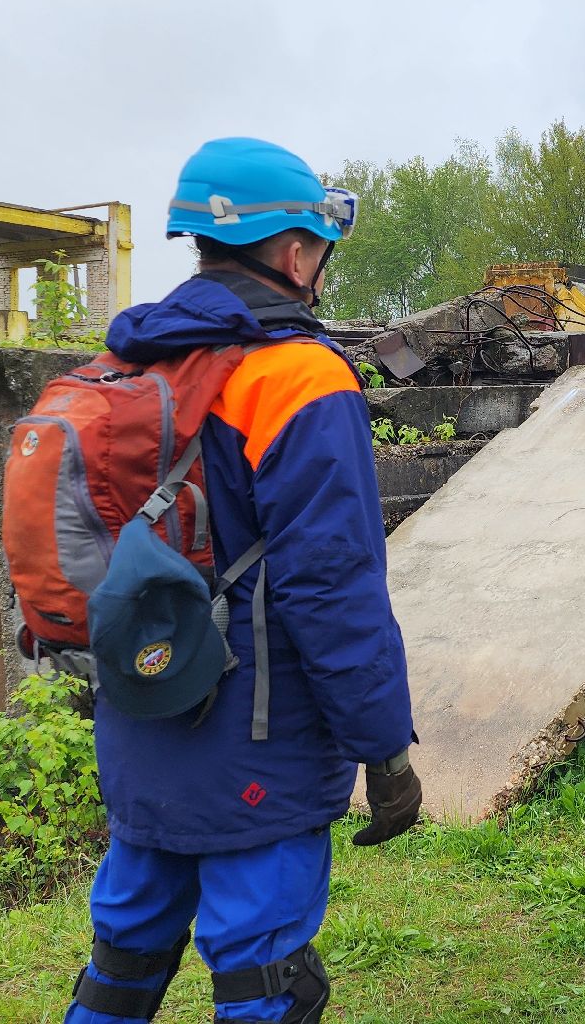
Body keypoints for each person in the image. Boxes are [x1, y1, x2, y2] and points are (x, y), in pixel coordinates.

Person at [64, 137, 421, 1024]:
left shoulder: (127, 368)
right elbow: (331, 587)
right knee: (265, 978)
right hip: (261, 736)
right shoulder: (297, 377)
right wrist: (385, 748)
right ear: (298, 253)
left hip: (142, 711)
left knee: (125, 954)